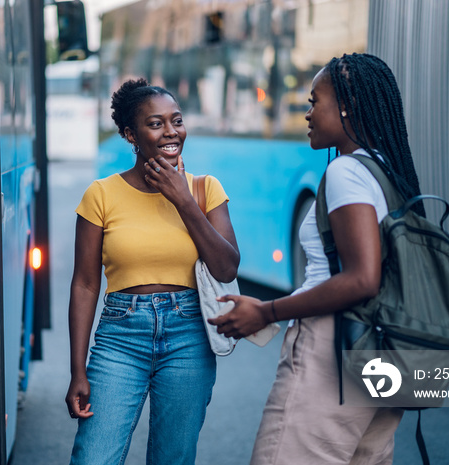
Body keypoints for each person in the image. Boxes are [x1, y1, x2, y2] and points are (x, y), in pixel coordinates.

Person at [210, 53, 424, 464]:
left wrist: (267, 311)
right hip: (381, 353)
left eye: (314, 101)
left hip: (334, 349)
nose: (307, 112)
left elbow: (363, 278)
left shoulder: (347, 173)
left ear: (347, 106)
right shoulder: (386, 170)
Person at [65, 78, 239, 465]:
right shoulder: (101, 194)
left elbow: (226, 266)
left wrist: (182, 198)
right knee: (93, 458)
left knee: (172, 459)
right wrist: (78, 370)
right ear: (130, 134)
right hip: (120, 338)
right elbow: (85, 284)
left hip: (189, 335)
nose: (170, 132)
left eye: (176, 121)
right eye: (155, 123)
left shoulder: (205, 189)